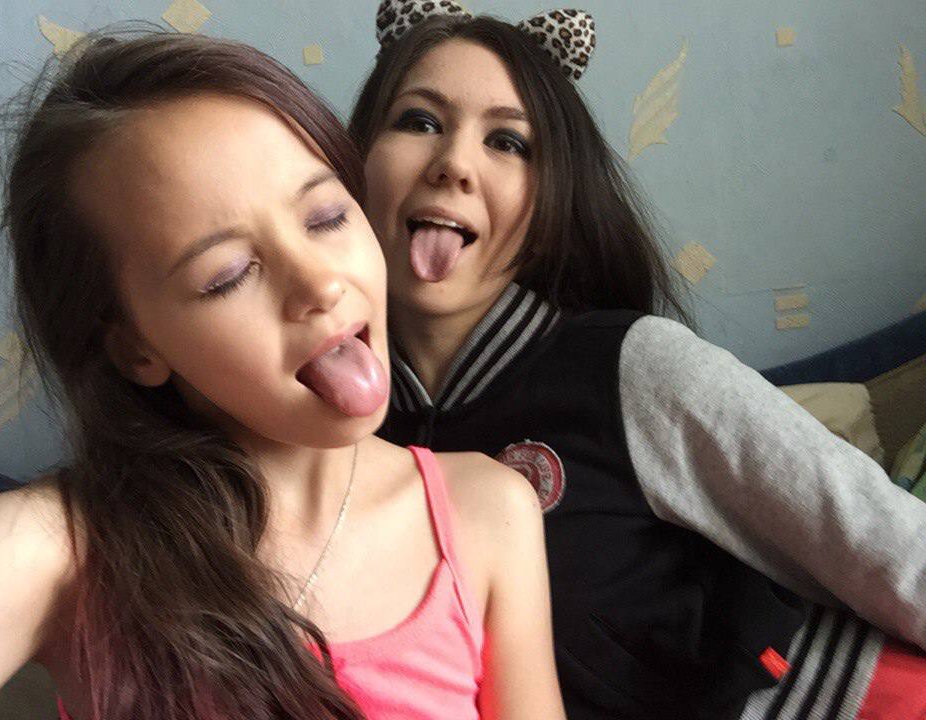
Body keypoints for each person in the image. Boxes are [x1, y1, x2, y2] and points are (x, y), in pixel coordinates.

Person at [348, 5, 926, 719]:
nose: (454, 164)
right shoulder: (340, 434)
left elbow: (893, 550)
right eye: (420, 121)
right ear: (352, 168)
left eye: (507, 141)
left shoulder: (636, 368)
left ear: (550, 205)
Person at [0, 32, 566, 720]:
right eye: (228, 275)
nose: (320, 282)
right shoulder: (60, 548)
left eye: (328, 216)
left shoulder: (490, 510)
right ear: (135, 347)